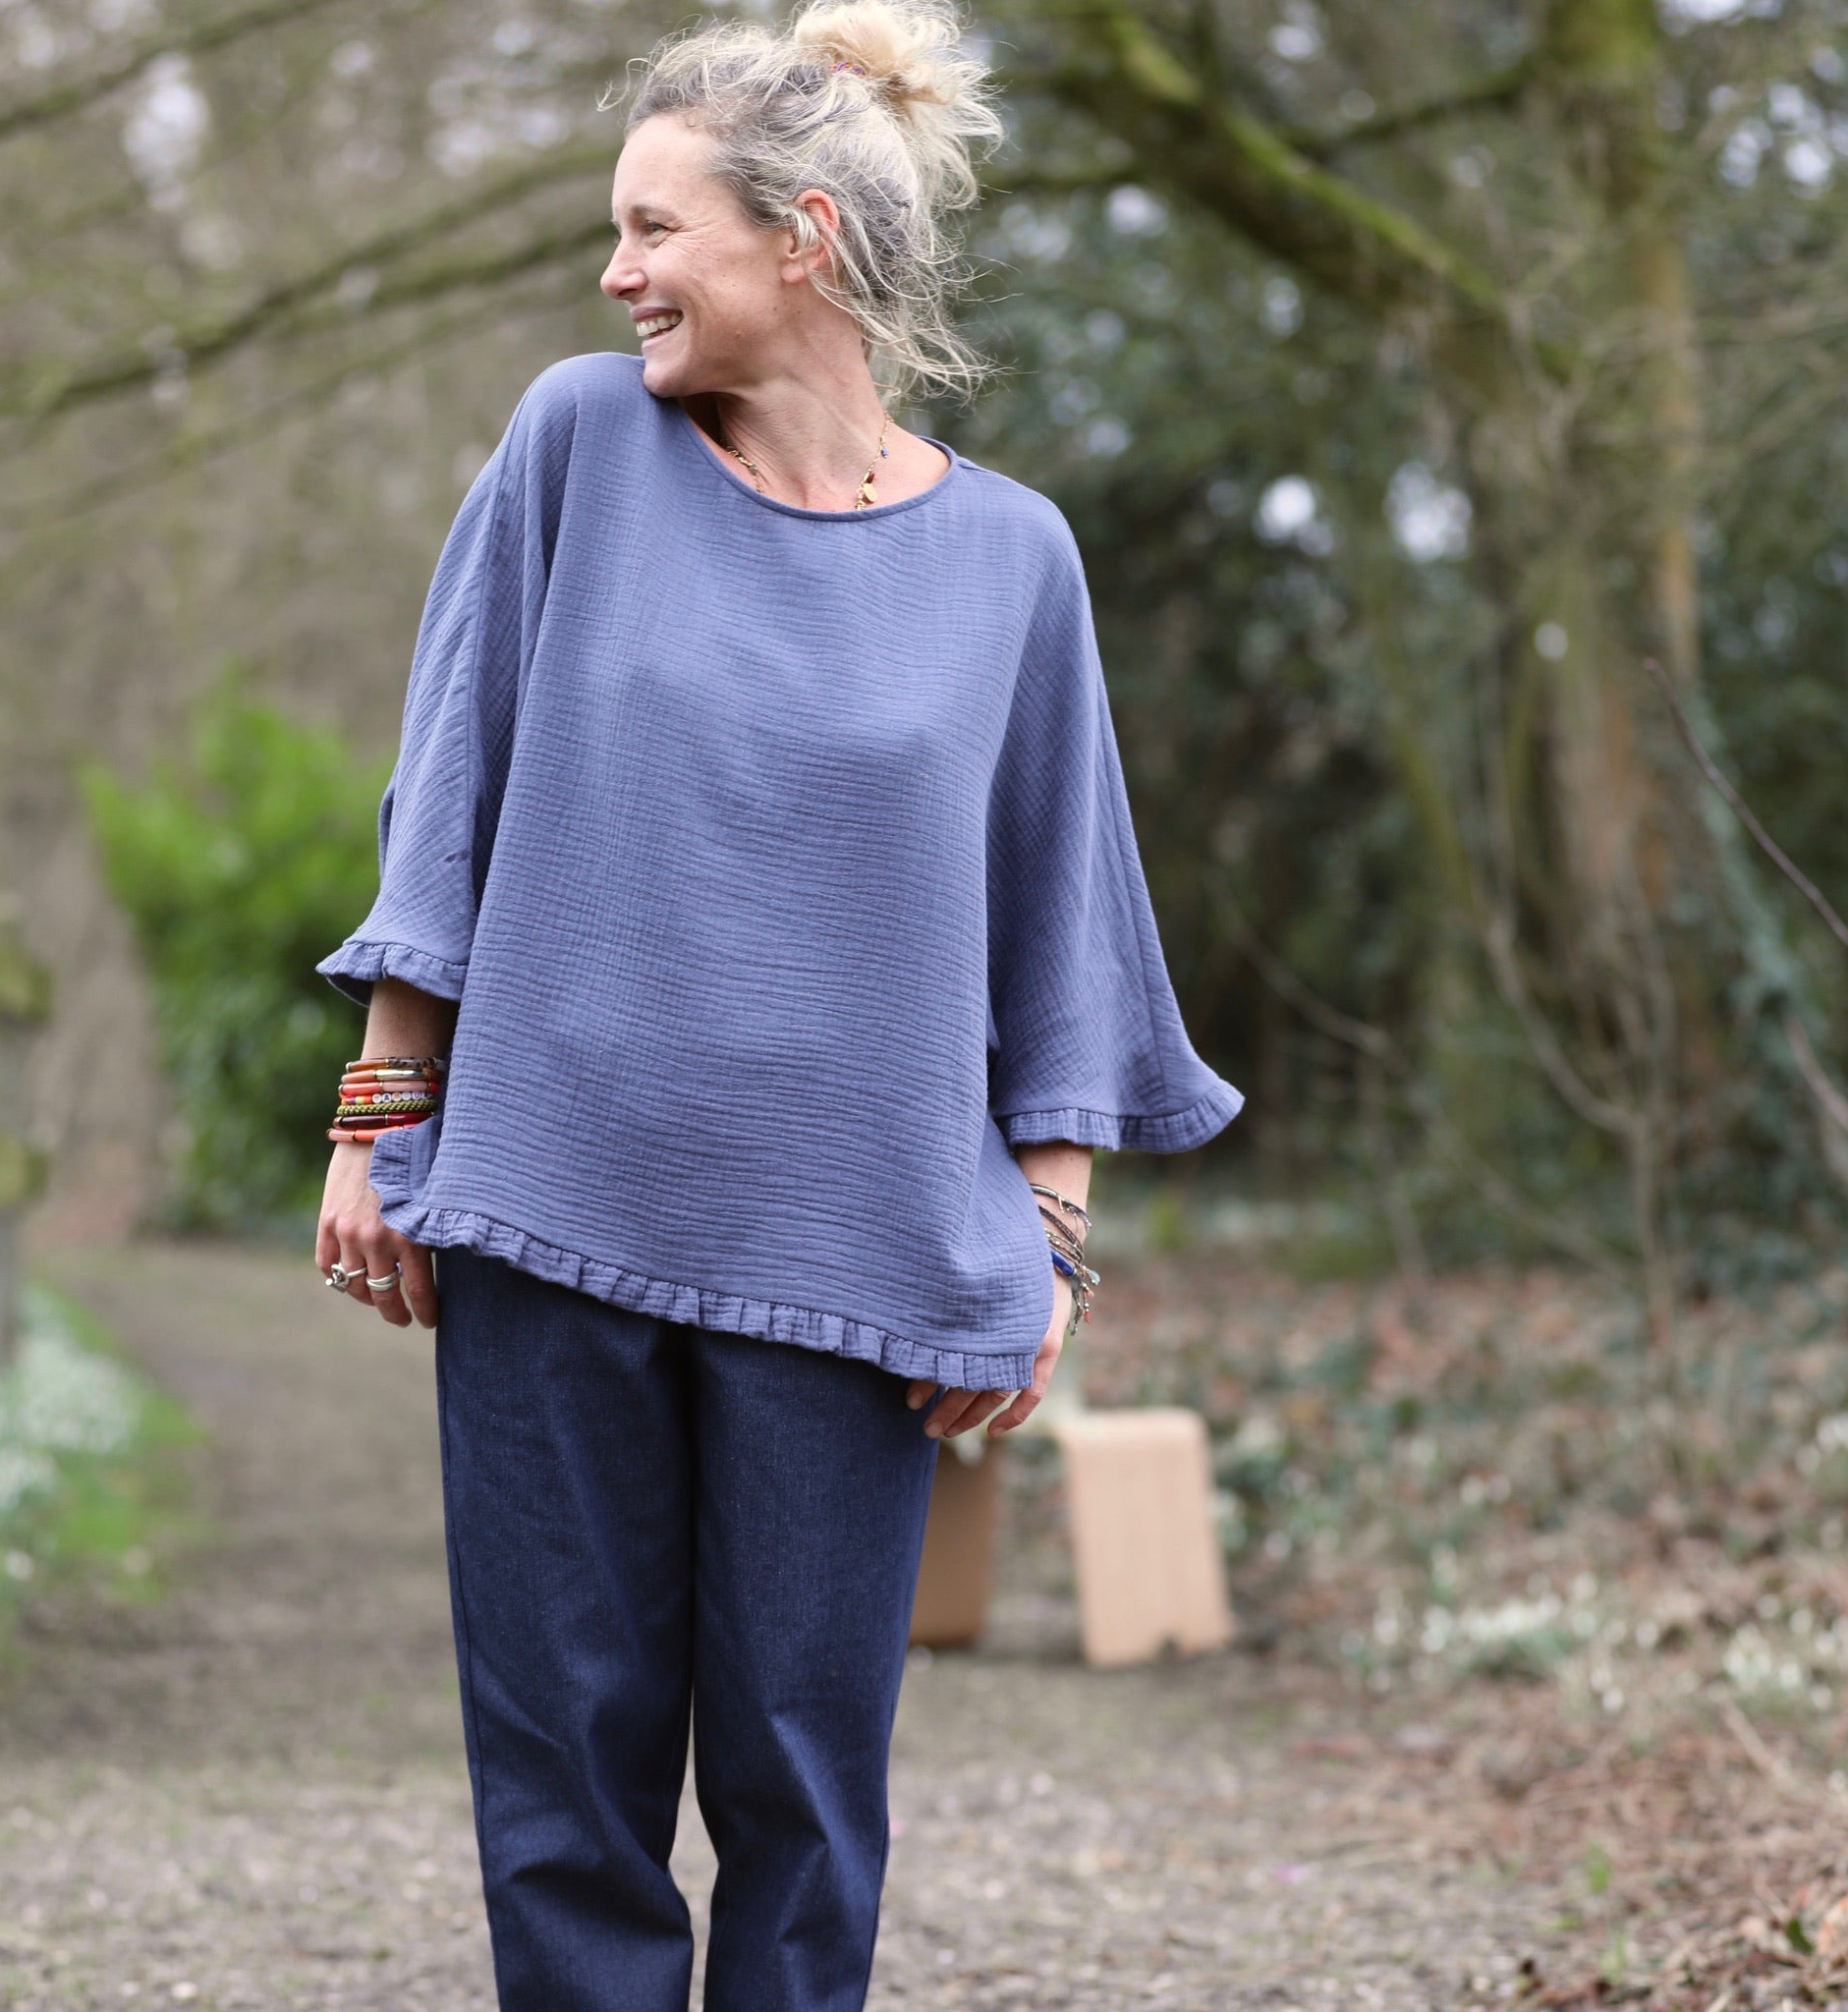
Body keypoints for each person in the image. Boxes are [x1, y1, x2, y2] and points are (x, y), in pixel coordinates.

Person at [311, 3, 1240, 2006]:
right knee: (562, 1788)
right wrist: (383, 1115)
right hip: (552, 1219)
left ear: (800, 238)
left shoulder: (1014, 561)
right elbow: (446, 794)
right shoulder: (577, 445)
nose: (615, 272)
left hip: (855, 1258)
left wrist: (1049, 1238)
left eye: (654, 229)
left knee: (807, 1802)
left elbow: (1060, 918)